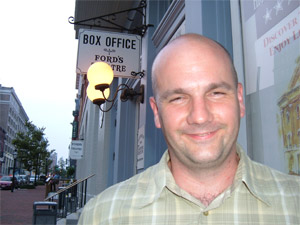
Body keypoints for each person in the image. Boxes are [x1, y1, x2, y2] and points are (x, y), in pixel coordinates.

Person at [78, 33, 300, 224]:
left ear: (240, 100)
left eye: (216, 93)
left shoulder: (294, 204)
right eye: (178, 98)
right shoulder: (103, 216)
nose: (200, 116)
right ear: (156, 112)